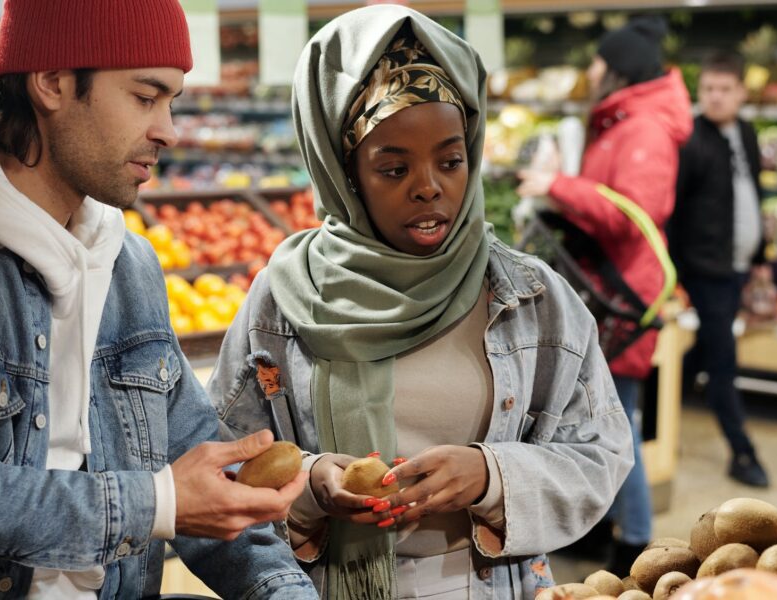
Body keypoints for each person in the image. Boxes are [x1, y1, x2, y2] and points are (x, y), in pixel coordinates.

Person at [0, 1, 317, 598]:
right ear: (53, 81)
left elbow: (194, 457)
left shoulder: (127, 265)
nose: (168, 129)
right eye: (144, 96)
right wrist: (153, 502)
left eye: (172, 101)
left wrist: (281, 583)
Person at [207, 6, 634, 599]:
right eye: (393, 167)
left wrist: (492, 475)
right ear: (345, 172)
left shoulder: (531, 298)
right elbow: (219, 464)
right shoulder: (281, 302)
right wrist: (310, 485)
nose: (430, 186)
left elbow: (602, 455)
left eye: (451, 160)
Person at [516, 16, 694, 575]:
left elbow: (634, 215)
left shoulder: (643, 129)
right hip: (610, 287)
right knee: (598, 416)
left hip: (623, 296)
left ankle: (635, 540)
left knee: (619, 421)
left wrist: (558, 188)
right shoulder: (623, 122)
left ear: (615, 68)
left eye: (596, 61)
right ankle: (604, 528)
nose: (588, 71)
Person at [668, 51, 770, 488]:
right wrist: (673, 274)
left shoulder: (746, 131)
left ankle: (657, 412)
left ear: (742, 93)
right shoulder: (691, 138)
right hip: (705, 269)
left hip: (737, 265)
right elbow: (673, 209)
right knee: (723, 360)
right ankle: (742, 452)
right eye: (708, 88)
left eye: (725, 89)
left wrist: (761, 257)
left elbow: (753, 195)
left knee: (704, 351)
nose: (715, 97)